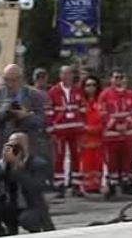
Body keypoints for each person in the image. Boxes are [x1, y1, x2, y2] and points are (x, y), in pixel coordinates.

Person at [0, 132, 55, 236]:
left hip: (32, 206)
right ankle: (0, 235)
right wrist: (2, 165)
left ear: (26, 146)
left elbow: (36, 187)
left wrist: (18, 168)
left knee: (27, 219)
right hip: (10, 203)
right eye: (10, 145)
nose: (14, 149)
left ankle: (37, 234)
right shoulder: (6, 163)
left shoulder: (38, 163)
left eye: (17, 145)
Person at [0, 65, 50, 164]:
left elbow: (42, 121)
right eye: (6, 80)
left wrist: (26, 116)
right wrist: (3, 112)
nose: (9, 84)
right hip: (1, 147)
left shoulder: (35, 95)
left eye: (13, 80)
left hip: (28, 148)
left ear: (21, 79)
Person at [97, 69, 132, 198]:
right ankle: (112, 184)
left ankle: (127, 183)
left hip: (127, 134)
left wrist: (127, 123)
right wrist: (114, 123)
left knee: (128, 160)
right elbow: (101, 111)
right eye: (116, 77)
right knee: (112, 161)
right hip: (111, 135)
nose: (118, 80)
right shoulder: (105, 95)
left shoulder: (131, 95)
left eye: (121, 77)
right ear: (111, 79)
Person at [47, 65, 85, 198]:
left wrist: (83, 125)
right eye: (65, 74)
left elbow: (83, 108)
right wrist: (51, 128)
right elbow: (49, 111)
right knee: (59, 157)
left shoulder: (78, 90)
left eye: (70, 74)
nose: (68, 76)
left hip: (76, 129)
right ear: (60, 75)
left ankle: (76, 185)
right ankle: (59, 186)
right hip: (60, 130)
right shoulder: (54, 91)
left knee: (77, 157)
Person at [79, 76, 104, 195]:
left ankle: (97, 184)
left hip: (99, 136)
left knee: (98, 163)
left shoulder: (101, 101)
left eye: (93, 85)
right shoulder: (80, 102)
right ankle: (88, 186)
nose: (91, 88)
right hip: (85, 137)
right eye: (88, 85)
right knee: (87, 163)